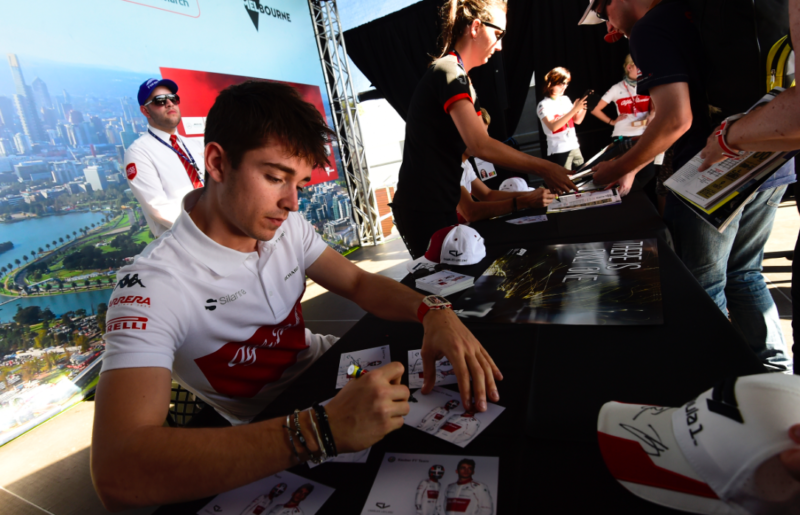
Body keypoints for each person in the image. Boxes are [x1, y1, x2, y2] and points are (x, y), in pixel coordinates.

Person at [91, 81, 503, 511]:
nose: (291, 203)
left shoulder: (284, 224)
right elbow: (118, 472)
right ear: (216, 162)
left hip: (336, 373)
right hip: (274, 425)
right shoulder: (152, 285)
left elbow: (358, 283)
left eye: (301, 185)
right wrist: (319, 430)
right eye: (275, 178)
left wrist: (433, 309)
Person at [581, 0, 794, 372]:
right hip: (768, 159)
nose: (607, 27)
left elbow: (676, 120)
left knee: (703, 286)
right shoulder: (690, 13)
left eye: (602, 11)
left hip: (709, 172)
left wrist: (617, 167)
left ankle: (717, 383)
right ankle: (776, 377)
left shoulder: (650, 28)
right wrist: (635, 167)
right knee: (746, 274)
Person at [391, 0, 576, 259]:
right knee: (442, 278)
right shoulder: (448, 71)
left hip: (441, 202)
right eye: (498, 34)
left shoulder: (463, 79)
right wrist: (545, 168)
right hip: (423, 208)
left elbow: (482, 143)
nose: (499, 46)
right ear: (476, 27)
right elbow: (479, 145)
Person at [124, 78, 206, 238]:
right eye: (160, 101)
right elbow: (158, 208)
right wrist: (207, 231)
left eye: (173, 99)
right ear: (145, 111)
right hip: (183, 242)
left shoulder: (196, 144)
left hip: (220, 234)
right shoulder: (138, 152)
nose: (169, 104)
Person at [457, 109, 556, 223]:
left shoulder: (466, 164)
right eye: (480, 134)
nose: (485, 140)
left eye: (486, 133)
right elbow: (470, 212)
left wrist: (532, 195)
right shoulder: (450, 166)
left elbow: (488, 195)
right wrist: (525, 201)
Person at [590, 54, 656, 195]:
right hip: (624, 136)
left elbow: (656, 106)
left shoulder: (648, 84)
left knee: (648, 172)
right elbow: (595, 108)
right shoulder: (617, 88)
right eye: (639, 67)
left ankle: (631, 196)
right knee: (623, 173)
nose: (643, 70)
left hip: (645, 134)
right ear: (629, 67)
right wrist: (611, 121)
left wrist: (653, 114)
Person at [537, 67, 588, 170]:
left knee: (583, 174)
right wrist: (574, 110)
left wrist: (584, 106)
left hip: (574, 146)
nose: (564, 87)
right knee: (566, 178)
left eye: (566, 83)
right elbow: (553, 126)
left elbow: (577, 120)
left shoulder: (565, 99)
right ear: (551, 83)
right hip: (559, 150)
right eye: (561, 84)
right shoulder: (543, 104)